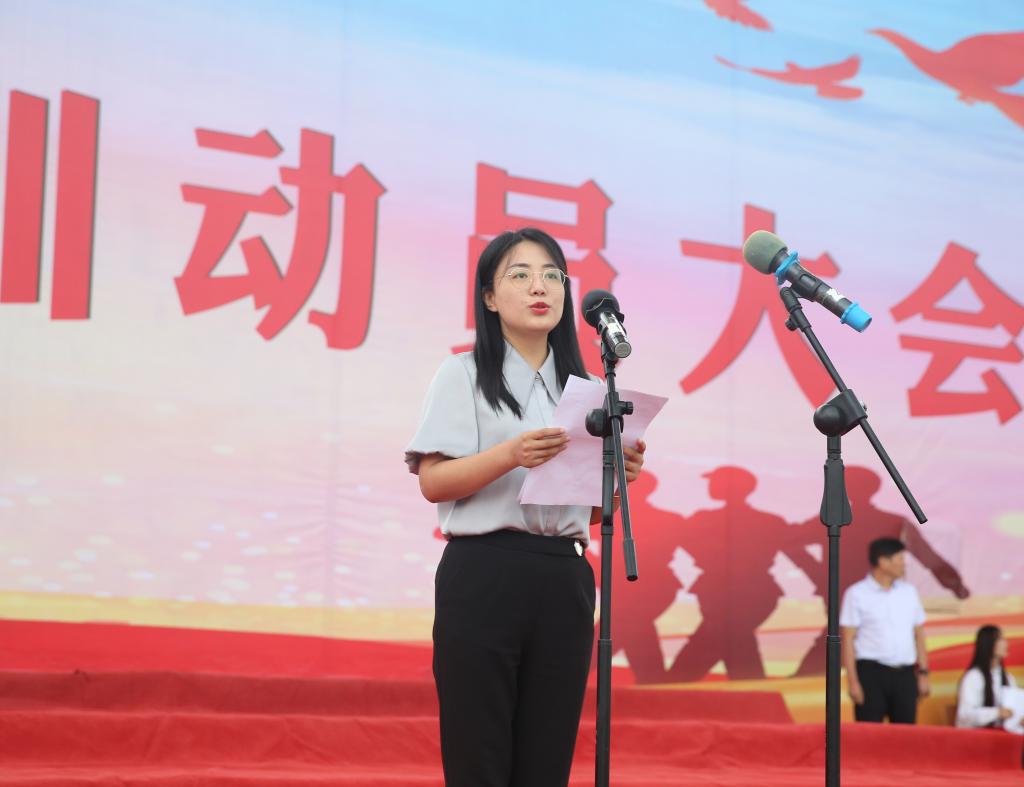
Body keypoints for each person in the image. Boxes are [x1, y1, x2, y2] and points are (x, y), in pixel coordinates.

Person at [406, 227, 646, 787]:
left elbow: (585, 513)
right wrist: (510, 454)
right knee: (480, 752)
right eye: (520, 275)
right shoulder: (464, 374)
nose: (540, 287)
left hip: (564, 577)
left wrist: (617, 482)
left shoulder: (588, 390)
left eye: (552, 275)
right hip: (485, 571)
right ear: (490, 297)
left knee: (546, 756)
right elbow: (434, 481)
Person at [793, 466, 969, 676]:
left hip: (879, 595)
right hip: (841, 592)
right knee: (839, 639)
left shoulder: (892, 523)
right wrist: (816, 572)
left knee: (852, 641)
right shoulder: (830, 520)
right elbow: (789, 541)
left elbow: (928, 557)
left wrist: (955, 584)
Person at [666, 466, 820, 682]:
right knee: (730, 641)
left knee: (727, 639)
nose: (710, 485)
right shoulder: (767, 521)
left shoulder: (707, 520)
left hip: (743, 593)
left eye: (715, 481)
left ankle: (679, 683)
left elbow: (799, 555)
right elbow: (800, 557)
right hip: (739, 592)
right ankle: (750, 689)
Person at [840, 537, 930, 724]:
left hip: (905, 675)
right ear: (883, 561)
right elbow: (848, 639)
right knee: (869, 733)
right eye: (900, 559)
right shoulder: (856, 594)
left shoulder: (909, 592)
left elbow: (919, 635)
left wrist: (923, 674)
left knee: (906, 734)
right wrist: (853, 682)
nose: (904, 564)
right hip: (871, 675)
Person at [956, 624, 1019, 730]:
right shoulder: (973, 677)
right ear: (987, 644)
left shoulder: (1008, 678)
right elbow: (965, 714)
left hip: (1001, 734)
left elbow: (1014, 709)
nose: (1005, 643)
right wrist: (997, 713)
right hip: (976, 735)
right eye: (999, 639)